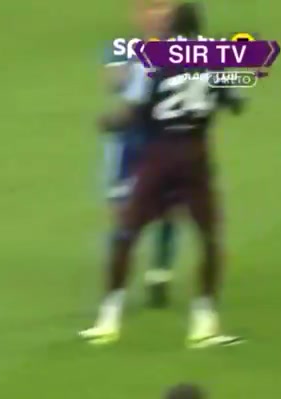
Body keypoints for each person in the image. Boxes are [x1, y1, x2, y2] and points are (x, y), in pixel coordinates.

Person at [81, 2, 244, 348]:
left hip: (157, 154)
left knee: (127, 231)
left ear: (172, 28)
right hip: (196, 156)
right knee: (209, 237)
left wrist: (110, 123)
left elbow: (136, 108)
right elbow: (234, 103)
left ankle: (108, 319)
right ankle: (204, 322)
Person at [104, 0, 180, 308]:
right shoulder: (123, 49)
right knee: (122, 209)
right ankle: (117, 280)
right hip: (129, 144)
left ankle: (159, 272)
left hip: (167, 140)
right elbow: (116, 85)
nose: (157, 15)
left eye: (163, 8)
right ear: (137, 14)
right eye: (150, 8)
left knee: (168, 206)